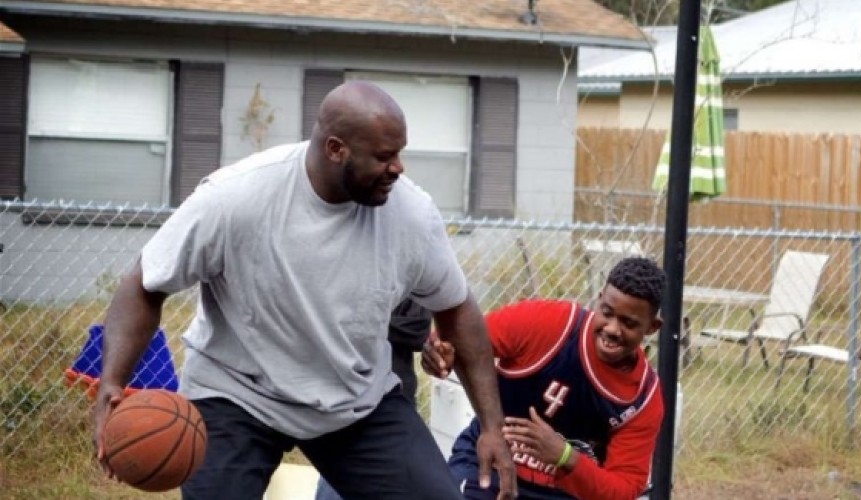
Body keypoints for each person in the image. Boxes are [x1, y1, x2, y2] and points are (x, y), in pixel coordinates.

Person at [92, 81, 516, 500]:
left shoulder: (411, 214)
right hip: (239, 394)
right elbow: (144, 285)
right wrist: (113, 382)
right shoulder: (236, 198)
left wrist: (491, 427)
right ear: (336, 149)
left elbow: (457, 311)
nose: (399, 168)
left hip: (353, 401)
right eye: (384, 157)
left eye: (400, 154)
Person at [425, 257, 666, 500]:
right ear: (600, 298)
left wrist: (565, 456)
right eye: (607, 313)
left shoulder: (642, 399)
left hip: (564, 490)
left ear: (652, 327)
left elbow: (622, 491)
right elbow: (463, 339)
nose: (613, 329)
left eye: (629, 323)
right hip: (490, 462)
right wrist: (440, 351)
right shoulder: (551, 323)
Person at [314, 297, 433, 500]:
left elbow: (418, 330)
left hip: (394, 401)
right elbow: (323, 320)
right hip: (344, 401)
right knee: (336, 483)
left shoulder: (402, 270)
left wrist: (357, 324)